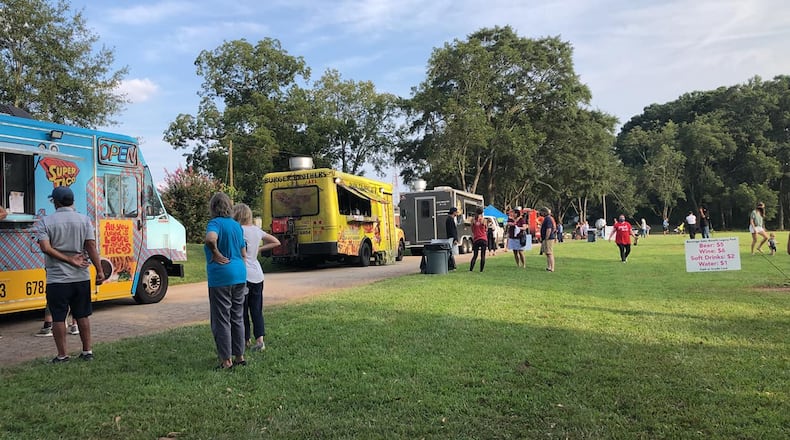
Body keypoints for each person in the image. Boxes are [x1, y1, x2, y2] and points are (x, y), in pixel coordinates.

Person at [36, 186, 104, 363]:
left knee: (58, 316)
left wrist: (67, 259)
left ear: (56, 202)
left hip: (57, 278)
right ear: (72, 201)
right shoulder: (84, 220)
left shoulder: (45, 222)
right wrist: (100, 270)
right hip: (81, 277)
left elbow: (45, 248)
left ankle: (62, 355)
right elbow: (91, 246)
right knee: (82, 314)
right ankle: (87, 351)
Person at [205, 192, 247, 370]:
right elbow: (243, 253)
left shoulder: (215, 223)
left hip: (221, 277)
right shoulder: (237, 226)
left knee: (222, 318)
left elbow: (210, 238)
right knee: (237, 316)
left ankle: (226, 361)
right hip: (239, 274)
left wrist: (215, 252)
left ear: (213, 207)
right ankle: (240, 356)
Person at [232, 203, 281, 352]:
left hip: (244, 274)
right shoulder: (256, 231)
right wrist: (259, 249)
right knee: (256, 309)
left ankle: (245, 339)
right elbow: (276, 241)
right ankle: (260, 340)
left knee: (242, 309)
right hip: (258, 275)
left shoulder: (237, 230)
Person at [539, 207, 556, 272]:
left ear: (544, 212)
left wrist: (546, 237)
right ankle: (549, 266)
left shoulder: (548, 219)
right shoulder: (547, 219)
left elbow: (549, 229)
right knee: (547, 253)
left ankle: (552, 268)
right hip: (547, 238)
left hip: (548, 238)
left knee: (549, 253)